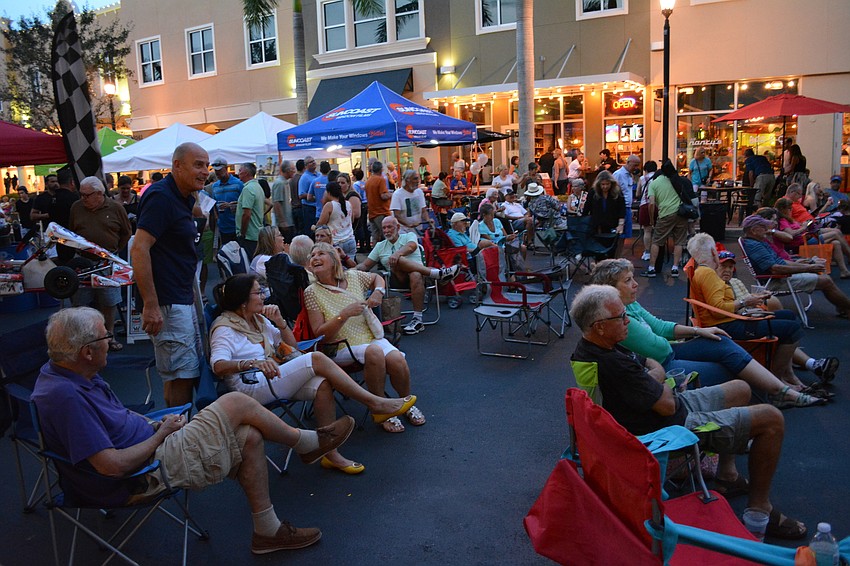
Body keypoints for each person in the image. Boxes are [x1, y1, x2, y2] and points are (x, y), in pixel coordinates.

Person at [34, 307, 357, 555]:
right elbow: (111, 467)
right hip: (142, 474)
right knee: (234, 403)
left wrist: (155, 425)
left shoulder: (72, 372)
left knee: (250, 436)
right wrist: (161, 435)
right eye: (106, 338)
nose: (112, 343)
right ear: (87, 351)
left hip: (151, 441)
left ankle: (267, 531)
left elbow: (116, 418)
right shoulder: (66, 397)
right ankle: (307, 443)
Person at [569, 286, 808, 540]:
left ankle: (727, 475)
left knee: (740, 388)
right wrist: (658, 376)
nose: (628, 320)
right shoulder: (614, 364)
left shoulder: (597, 347)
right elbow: (666, 402)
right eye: (621, 317)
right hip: (669, 429)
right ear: (599, 326)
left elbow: (649, 364)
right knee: (772, 418)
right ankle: (761, 508)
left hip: (663, 408)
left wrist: (654, 376)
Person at [210, 274, 417, 472]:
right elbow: (218, 366)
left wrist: (281, 323)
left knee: (322, 384)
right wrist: (250, 363)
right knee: (316, 359)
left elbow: (293, 347)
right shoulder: (225, 329)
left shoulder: (258, 320)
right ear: (243, 300)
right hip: (249, 388)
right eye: (258, 293)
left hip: (273, 376)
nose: (264, 296)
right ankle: (376, 403)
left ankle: (330, 454)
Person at [589, 259, 822, 407]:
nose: (636, 284)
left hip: (668, 353)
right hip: (663, 365)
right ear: (611, 288)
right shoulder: (617, 316)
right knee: (730, 371)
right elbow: (658, 346)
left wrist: (699, 330)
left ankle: (778, 391)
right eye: (628, 280)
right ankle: (773, 396)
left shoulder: (629, 304)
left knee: (719, 340)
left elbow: (660, 327)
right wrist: (689, 335)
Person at [686, 233, 832, 395]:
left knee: (788, 317)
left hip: (726, 320)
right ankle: (776, 384)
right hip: (728, 324)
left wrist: (747, 302)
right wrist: (745, 302)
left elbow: (716, 306)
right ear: (713, 252)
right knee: (792, 329)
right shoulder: (707, 274)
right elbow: (718, 308)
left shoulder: (702, 272)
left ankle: (787, 375)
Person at [306, 242, 426, 433]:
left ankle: (406, 403)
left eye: (320, 253)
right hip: (339, 345)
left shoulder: (353, 276)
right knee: (375, 352)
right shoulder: (311, 292)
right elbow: (320, 334)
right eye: (312, 255)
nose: (314, 257)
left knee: (396, 359)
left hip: (370, 338)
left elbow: (377, 278)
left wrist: (378, 292)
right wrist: (343, 315)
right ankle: (381, 410)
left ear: (333, 259)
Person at [132, 142, 209, 407]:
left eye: (206, 165)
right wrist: (151, 305)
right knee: (183, 375)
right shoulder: (161, 196)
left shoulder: (183, 196)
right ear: (177, 165)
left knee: (177, 373)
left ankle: (174, 434)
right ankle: (180, 438)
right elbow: (139, 248)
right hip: (168, 301)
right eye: (198, 164)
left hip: (180, 297)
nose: (205, 171)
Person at [713, 248, 839, 387]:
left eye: (730, 267)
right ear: (715, 267)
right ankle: (779, 381)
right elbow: (723, 308)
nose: (728, 270)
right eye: (723, 266)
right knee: (790, 330)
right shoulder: (715, 285)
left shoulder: (736, 282)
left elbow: (748, 300)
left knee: (789, 316)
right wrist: (747, 305)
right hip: (738, 322)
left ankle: (801, 369)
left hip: (751, 314)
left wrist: (759, 297)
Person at [355, 217, 458, 335]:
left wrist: (397, 254)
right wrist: (350, 268)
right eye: (384, 228)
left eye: (389, 227)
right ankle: (437, 274)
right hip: (397, 279)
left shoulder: (409, 236)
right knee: (396, 261)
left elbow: (411, 246)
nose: (386, 230)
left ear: (398, 227)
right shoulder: (380, 246)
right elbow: (365, 265)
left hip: (419, 279)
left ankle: (417, 320)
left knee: (414, 273)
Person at [740, 214, 850, 318]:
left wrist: (807, 263)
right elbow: (776, 269)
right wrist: (808, 268)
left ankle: (844, 308)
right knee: (826, 281)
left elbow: (780, 262)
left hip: (779, 277)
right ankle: (846, 308)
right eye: (763, 227)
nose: (766, 229)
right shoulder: (754, 246)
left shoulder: (759, 242)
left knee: (822, 275)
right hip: (775, 281)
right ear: (754, 230)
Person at [68, 176, 132, 352]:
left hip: (107, 261)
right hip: (84, 261)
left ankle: (108, 336)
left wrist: (115, 251)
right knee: (81, 302)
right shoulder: (76, 208)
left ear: (99, 193)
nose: (83, 198)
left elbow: (127, 232)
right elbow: (71, 231)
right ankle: (84, 338)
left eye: (86, 195)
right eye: (81, 195)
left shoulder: (115, 208)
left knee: (109, 301)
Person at [774, 197, 850, 278]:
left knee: (836, 243)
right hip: (802, 242)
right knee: (835, 233)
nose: (791, 210)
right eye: (789, 208)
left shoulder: (788, 219)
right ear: (782, 209)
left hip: (807, 238)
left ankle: (844, 271)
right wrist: (803, 227)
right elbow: (791, 234)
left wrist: (804, 224)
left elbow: (796, 227)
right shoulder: (783, 221)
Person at [641, 160, 689, 278]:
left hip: (665, 213)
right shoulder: (675, 180)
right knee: (679, 241)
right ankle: (675, 268)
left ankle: (652, 268)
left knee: (657, 241)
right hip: (681, 213)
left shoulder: (654, 183)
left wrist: (652, 220)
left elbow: (651, 204)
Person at [209, 158, 244, 246]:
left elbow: (244, 204)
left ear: (226, 168)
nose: (218, 174)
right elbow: (214, 204)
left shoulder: (238, 184)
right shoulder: (215, 186)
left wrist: (231, 206)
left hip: (237, 227)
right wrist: (216, 217)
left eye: (220, 171)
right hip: (223, 227)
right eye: (216, 171)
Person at [317, 181, 357, 257]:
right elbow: (352, 220)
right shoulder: (348, 203)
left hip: (336, 241)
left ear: (328, 192)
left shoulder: (329, 205)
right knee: (350, 265)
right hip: (350, 239)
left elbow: (321, 224)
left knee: (337, 267)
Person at [236, 163, 265, 258]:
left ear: (246, 173)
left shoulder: (248, 189)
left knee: (249, 261)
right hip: (257, 231)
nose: (238, 172)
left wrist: (242, 233)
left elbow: (247, 214)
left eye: (240, 170)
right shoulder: (257, 187)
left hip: (249, 235)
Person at [584, 170, 625, 236]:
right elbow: (587, 206)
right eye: (603, 184)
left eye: (607, 184)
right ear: (598, 184)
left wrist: (621, 224)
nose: (605, 187)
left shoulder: (617, 192)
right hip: (596, 225)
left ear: (611, 183)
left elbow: (622, 208)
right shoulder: (593, 192)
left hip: (612, 224)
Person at [391, 170, 430, 236]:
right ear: (407, 180)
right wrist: (408, 224)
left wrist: (428, 220)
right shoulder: (397, 194)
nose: (418, 181)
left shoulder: (419, 192)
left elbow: (423, 211)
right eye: (415, 179)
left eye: (418, 178)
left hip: (418, 231)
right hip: (404, 232)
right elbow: (397, 215)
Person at [612, 154, 640, 238]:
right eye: (634, 165)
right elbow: (613, 192)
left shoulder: (630, 175)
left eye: (637, 166)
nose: (636, 168)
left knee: (626, 234)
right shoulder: (618, 174)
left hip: (628, 207)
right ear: (628, 163)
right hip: (620, 208)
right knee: (620, 234)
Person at [636, 160, 658, 261]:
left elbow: (637, 193)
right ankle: (657, 250)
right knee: (658, 230)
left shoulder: (642, 178)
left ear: (645, 169)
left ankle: (647, 252)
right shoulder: (659, 178)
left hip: (645, 204)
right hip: (658, 206)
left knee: (647, 230)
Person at [365, 161, 391, 245]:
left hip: (372, 212)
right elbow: (383, 196)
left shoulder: (369, 180)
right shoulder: (381, 180)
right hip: (381, 212)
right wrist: (391, 194)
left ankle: (375, 256)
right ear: (381, 170)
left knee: (376, 237)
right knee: (387, 235)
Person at [272, 161, 296, 242]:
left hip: (288, 221)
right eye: (293, 169)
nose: (294, 171)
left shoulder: (285, 182)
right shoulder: (280, 183)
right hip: (285, 223)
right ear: (288, 170)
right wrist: (282, 221)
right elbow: (277, 203)